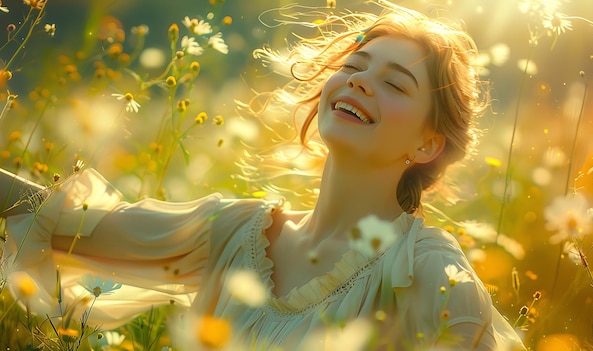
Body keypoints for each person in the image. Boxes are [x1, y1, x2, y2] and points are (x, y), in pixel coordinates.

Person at [1, 1, 526, 350]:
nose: (360, 81)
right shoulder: (233, 232)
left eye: (394, 83)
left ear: (427, 144)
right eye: (355, 65)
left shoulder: (425, 269)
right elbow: (58, 220)